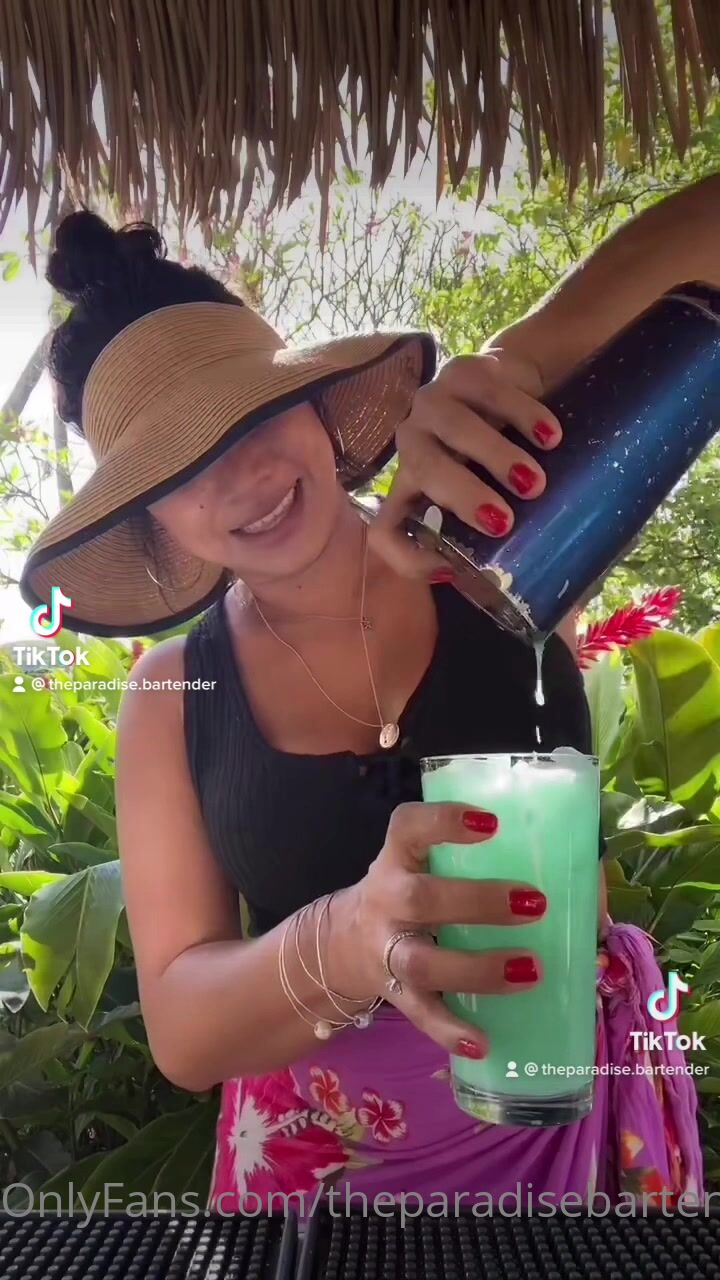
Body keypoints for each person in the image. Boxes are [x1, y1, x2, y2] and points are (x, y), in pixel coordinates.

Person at [23, 177, 718, 1211]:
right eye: (176, 469)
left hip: (577, 1117)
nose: (239, 478)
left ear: (313, 403)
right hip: (331, 1173)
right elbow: (183, 1032)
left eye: (251, 414)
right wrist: (348, 941)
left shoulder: (500, 535)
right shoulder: (174, 692)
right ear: (151, 517)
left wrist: (523, 359)